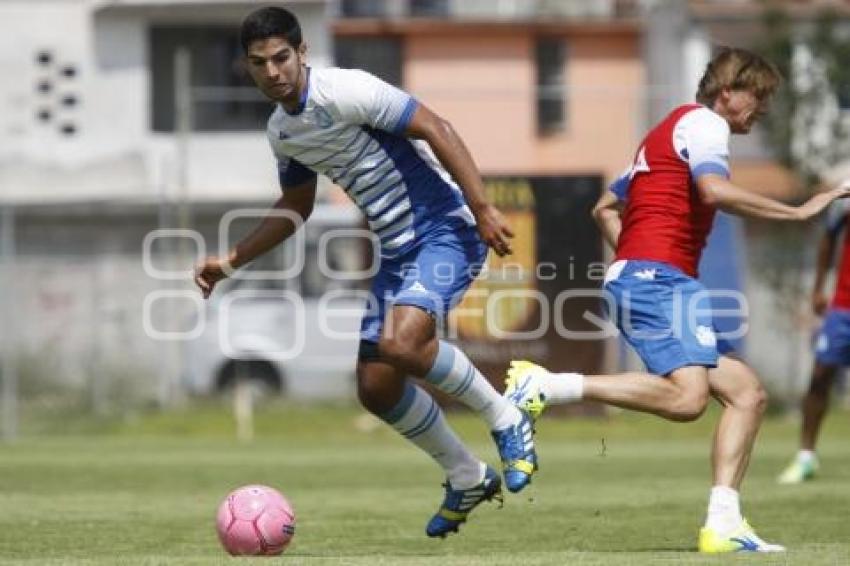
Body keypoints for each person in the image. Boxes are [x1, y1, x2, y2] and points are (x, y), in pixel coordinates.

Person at [193, 6, 537, 538]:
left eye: (282, 57)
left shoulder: (345, 90)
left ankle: (505, 416)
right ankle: (467, 475)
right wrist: (232, 260)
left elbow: (436, 127)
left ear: (302, 53)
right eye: (260, 63)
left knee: (402, 346)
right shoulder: (283, 131)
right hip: (397, 253)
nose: (274, 71)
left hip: (445, 229)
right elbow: (296, 206)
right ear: (248, 67)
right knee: (376, 387)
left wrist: (485, 206)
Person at [503, 47, 850, 553]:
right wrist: (799, 211)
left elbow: (604, 208)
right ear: (727, 93)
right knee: (688, 399)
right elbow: (713, 191)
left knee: (746, 394)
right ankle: (546, 386)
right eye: (758, 96)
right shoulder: (707, 125)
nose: (763, 109)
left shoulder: (666, 131)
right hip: (657, 279)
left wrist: (632, 258)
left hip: (654, 277)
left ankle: (723, 524)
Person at [778, 200, 850, 484]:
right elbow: (829, 236)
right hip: (843, 307)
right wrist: (819, 287)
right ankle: (805, 456)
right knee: (820, 377)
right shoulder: (847, 193)